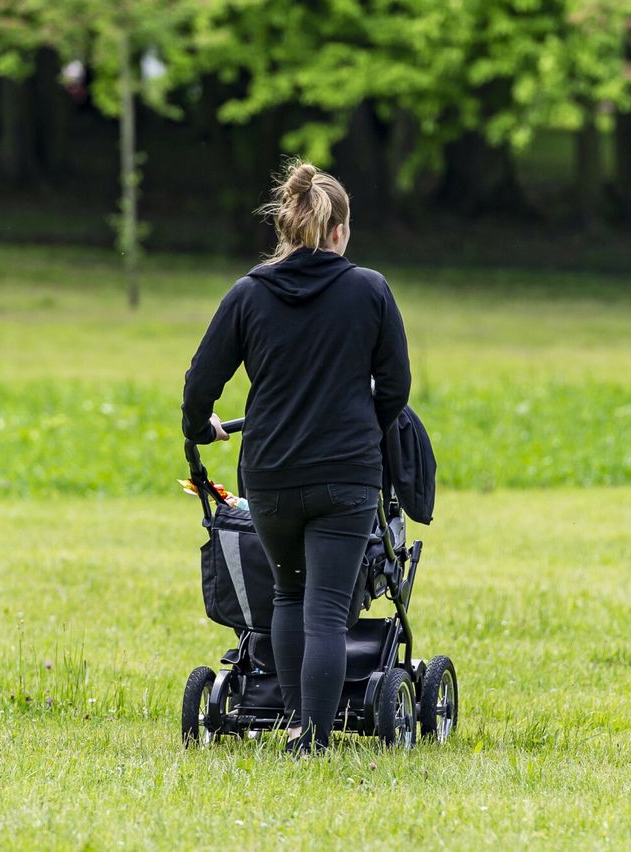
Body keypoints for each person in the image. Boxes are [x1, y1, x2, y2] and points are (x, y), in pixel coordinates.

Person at [181, 161, 412, 753]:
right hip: (346, 475)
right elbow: (396, 388)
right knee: (330, 610)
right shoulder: (370, 290)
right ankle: (313, 736)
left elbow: (200, 383)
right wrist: (366, 428)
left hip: (272, 472)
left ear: (287, 228)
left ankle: (290, 720)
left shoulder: (250, 293)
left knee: (287, 594)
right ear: (339, 232)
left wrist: (202, 429)